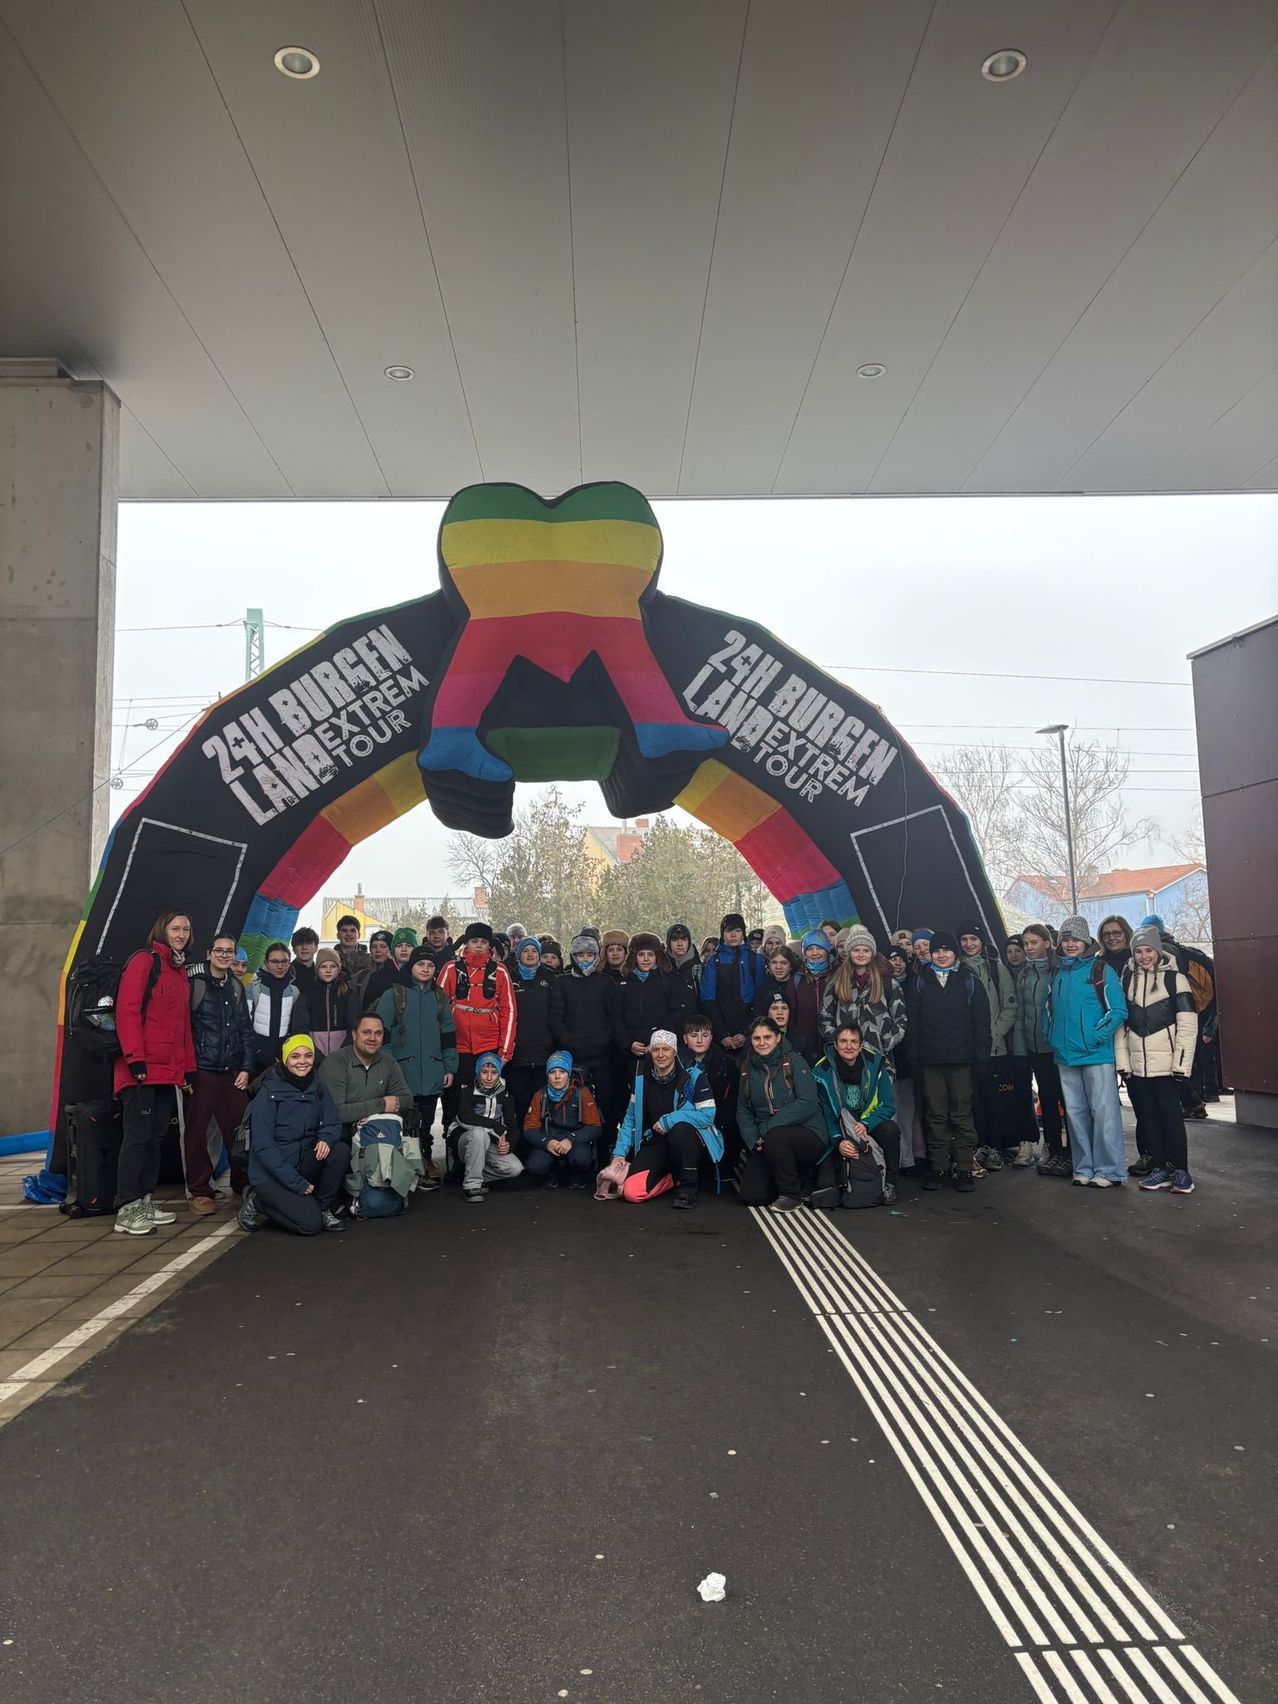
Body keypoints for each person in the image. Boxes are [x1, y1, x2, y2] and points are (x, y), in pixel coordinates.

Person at [111, 911, 195, 1236]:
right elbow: (127, 1010)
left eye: (186, 929)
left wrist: (185, 1069)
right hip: (141, 1071)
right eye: (175, 928)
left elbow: (182, 1025)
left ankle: (144, 1200)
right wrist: (135, 1059)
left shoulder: (179, 970)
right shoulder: (144, 961)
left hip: (166, 1072)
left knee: (156, 1138)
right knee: (137, 1138)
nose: (181, 934)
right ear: (162, 930)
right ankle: (127, 1207)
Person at [904, 931, 991, 1193]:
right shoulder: (920, 982)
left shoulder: (970, 981)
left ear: (955, 953)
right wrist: (914, 1056)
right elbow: (912, 1024)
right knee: (936, 1116)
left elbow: (981, 1025)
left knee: (962, 1115)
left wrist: (981, 1058)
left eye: (947, 950)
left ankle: (964, 1168)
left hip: (962, 1061)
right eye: (937, 951)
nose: (941, 955)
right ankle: (939, 1167)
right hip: (931, 1062)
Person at [1116, 924, 1198, 1194]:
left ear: (1158, 951)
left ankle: (1182, 1171)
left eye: (1148, 950)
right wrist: (1124, 1062)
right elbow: (1121, 1026)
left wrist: (1181, 1064)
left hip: (1167, 1068)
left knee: (1172, 1119)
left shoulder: (1176, 979)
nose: (1144, 956)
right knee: (1149, 1119)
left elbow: (1188, 1024)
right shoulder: (1127, 981)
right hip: (1138, 1068)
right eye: (1138, 951)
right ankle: (1160, 1168)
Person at [238, 1035, 348, 1236]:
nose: (302, 1061)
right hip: (271, 1174)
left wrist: (325, 1137)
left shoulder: (318, 1087)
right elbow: (263, 1146)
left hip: (302, 1165)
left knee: (339, 1150)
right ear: (285, 1059)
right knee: (310, 1225)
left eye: (308, 1055)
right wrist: (296, 1183)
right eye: (295, 1056)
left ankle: (323, 1208)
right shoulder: (267, 1092)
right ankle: (259, 1201)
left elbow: (332, 1121)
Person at [1046, 917, 1127, 1187]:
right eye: (1066, 940)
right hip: (1066, 1055)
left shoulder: (1102, 970)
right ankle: (1083, 1167)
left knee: (1103, 1113)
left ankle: (1109, 1170)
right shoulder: (1057, 973)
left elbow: (1118, 1011)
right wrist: (1051, 1036)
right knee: (1075, 1113)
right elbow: (1048, 1010)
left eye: (1076, 939)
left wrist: (1096, 1037)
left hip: (1096, 1054)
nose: (1071, 944)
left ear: (1086, 942)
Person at [184, 933, 255, 1214]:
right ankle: (200, 1190)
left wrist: (247, 1068)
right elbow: (183, 1030)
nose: (225, 955)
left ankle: (241, 1186)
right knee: (197, 1133)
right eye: (220, 950)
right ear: (209, 953)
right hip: (201, 1071)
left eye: (230, 951)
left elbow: (245, 1031)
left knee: (240, 1132)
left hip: (231, 1071)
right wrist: (186, 1070)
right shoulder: (194, 983)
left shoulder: (236, 987)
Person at [610, 1029, 720, 1208]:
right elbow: (630, 1117)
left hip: (688, 1142)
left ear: (674, 1051)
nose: (661, 1054)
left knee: (680, 1129)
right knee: (631, 1193)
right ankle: (671, 1178)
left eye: (666, 1049)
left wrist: (669, 1120)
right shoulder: (641, 1077)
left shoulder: (694, 1075)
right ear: (650, 1052)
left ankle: (688, 1188)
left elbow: (707, 1115)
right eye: (656, 1049)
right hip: (654, 1141)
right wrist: (619, 1154)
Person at [736, 1017, 827, 1212]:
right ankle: (795, 1177)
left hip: (808, 1132)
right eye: (757, 1038)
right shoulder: (746, 1069)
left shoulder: (794, 1061)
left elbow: (808, 1103)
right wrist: (753, 1139)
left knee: (776, 1136)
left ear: (778, 1038)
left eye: (767, 1037)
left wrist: (766, 1129)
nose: (762, 1042)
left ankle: (791, 1196)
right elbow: (743, 1110)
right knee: (752, 1195)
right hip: (766, 1139)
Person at [812, 1023, 902, 1206]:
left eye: (854, 1042)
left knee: (891, 1130)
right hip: (839, 1130)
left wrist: (867, 1124)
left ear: (861, 1045)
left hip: (867, 1126)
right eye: (843, 1041)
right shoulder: (822, 1071)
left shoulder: (875, 1064)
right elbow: (826, 1114)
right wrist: (839, 1141)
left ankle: (889, 1184)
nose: (849, 1046)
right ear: (835, 1044)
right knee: (825, 1184)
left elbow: (888, 1105)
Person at [376, 946, 457, 1148]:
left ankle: (426, 1157)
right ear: (411, 965)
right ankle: (406, 1162)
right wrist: (389, 1067)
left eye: (430, 965)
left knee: (426, 1125)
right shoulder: (394, 994)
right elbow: (381, 1034)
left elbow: (448, 1035)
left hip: (431, 1072)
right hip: (402, 1072)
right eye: (420, 964)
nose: (425, 969)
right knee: (403, 1124)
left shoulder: (439, 997)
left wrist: (449, 1067)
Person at [956, 918, 1020, 1172]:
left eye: (973, 938)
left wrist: (992, 1035)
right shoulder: (956, 969)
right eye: (964, 939)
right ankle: (978, 1145)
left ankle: (994, 1147)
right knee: (972, 1102)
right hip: (965, 1049)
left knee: (994, 1100)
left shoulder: (997, 969)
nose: (969, 944)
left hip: (994, 1049)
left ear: (982, 941)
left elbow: (1009, 1008)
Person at [437, 922, 517, 1124]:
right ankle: (452, 1135)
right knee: (454, 1097)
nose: (479, 945)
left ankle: (490, 1137)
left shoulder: (500, 971)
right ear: (466, 943)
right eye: (474, 941)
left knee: (487, 1099)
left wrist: (504, 1052)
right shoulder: (450, 968)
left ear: (490, 945)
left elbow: (509, 1011)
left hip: (489, 1046)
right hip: (458, 1045)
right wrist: (440, 1049)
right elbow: (437, 1009)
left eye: (483, 942)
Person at [551, 933, 621, 1142]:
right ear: (573, 956)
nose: (585, 959)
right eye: (580, 955)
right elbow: (556, 1017)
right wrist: (570, 1042)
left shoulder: (606, 982)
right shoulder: (562, 982)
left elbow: (614, 1017)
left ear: (597, 956)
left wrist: (605, 1041)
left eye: (590, 955)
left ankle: (606, 1145)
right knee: (572, 1104)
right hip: (573, 1056)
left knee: (606, 1104)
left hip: (602, 1055)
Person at [1012, 925, 1069, 1176]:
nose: (1029, 948)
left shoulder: (1059, 971)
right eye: (1026, 943)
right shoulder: (1024, 974)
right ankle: (1054, 1148)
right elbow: (1021, 1014)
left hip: (1057, 1047)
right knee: (1047, 1100)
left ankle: (1074, 1151)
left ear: (1047, 943)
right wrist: (1021, 1050)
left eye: (1034, 942)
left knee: (1068, 1101)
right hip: (1035, 1048)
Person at [819, 924, 906, 1064]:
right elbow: (824, 1017)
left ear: (872, 953)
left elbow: (900, 1018)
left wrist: (885, 1042)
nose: (861, 954)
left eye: (866, 950)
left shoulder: (888, 983)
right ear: (849, 952)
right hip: (845, 1058)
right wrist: (838, 1041)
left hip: (879, 1058)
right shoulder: (836, 982)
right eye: (856, 950)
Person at [317, 1012, 412, 1136]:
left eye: (378, 1033)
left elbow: (406, 1099)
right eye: (366, 1032)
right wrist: (381, 1105)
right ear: (354, 1035)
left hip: (378, 1133)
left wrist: (360, 1111)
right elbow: (335, 1112)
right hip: (341, 1136)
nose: (373, 1038)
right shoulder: (335, 1063)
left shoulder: (388, 1062)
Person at [523, 1051, 601, 1189]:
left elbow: (595, 1127)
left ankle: (577, 1174)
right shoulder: (540, 1095)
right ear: (547, 1075)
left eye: (562, 1072)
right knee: (536, 1165)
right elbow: (529, 1128)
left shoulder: (582, 1093)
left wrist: (571, 1139)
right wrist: (546, 1142)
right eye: (552, 1072)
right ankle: (551, 1173)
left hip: (575, 1140)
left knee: (581, 1158)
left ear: (569, 1074)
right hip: (550, 1139)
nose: (557, 1077)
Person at [451, 1052, 523, 1202]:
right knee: (479, 1133)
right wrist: (495, 1127)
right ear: (478, 1072)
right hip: (466, 1141)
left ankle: (473, 1173)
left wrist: (508, 1144)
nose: (489, 1078)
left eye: (494, 1073)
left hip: (490, 1143)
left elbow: (513, 1127)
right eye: (484, 1072)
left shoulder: (505, 1095)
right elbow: (465, 1117)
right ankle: (471, 1186)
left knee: (515, 1168)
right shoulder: (467, 1089)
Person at [506, 935, 558, 1127]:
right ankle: (521, 1142)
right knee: (520, 1103)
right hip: (518, 1055)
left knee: (543, 1104)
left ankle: (541, 1142)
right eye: (525, 951)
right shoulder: (509, 978)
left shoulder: (550, 978)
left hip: (544, 1053)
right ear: (518, 954)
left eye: (534, 951)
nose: (530, 954)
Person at [610, 933, 682, 1069]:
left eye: (650, 954)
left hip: (660, 1051)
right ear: (634, 957)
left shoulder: (666, 982)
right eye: (641, 954)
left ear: (657, 957)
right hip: (629, 1053)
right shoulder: (623, 984)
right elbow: (616, 1018)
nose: (646, 959)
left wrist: (658, 1041)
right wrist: (628, 1044)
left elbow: (674, 1015)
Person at [701, 913, 766, 1058]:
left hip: (750, 1032)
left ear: (743, 933)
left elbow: (760, 998)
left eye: (737, 930)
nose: (733, 935)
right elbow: (708, 999)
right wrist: (722, 1034)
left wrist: (746, 1032)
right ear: (722, 934)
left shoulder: (755, 960)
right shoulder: (714, 961)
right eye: (729, 931)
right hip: (721, 1030)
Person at [244, 941, 309, 1074]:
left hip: (284, 1058)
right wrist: (257, 1051)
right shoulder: (252, 989)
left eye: (284, 961)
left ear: (289, 963)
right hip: (255, 1059)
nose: (280, 966)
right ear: (266, 963)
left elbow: (295, 1027)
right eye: (274, 962)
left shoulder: (294, 991)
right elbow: (245, 1025)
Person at [783, 929, 832, 1065]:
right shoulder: (797, 979)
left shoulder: (837, 976)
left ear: (827, 950)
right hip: (805, 1047)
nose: (815, 953)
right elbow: (790, 1014)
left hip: (832, 1044)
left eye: (819, 948)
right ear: (804, 953)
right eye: (810, 949)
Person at [308, 947, 354, 1057]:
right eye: (323, 966)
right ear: (317, 969)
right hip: (314, 1056)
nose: (328, 970)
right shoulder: (307, 995)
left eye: (333, 966)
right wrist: (316, 1056)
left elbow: (355, 1027)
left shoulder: (348, 994)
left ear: (339, 969)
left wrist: (342, 1054)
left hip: (343, 1056)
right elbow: (300, 1028)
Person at [358, 929, 401, 1014]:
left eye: (383, 946)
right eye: (374, 946)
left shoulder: (400, 973)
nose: (378, 950)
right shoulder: (359, 976)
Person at [754, 945, 798, 1019]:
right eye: (774, 962)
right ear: (769, 965)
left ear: (791, 966)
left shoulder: (799, 985)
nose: (778, 967)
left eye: (783, 963)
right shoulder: (763, 989)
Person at [665, 922, 702, 1009]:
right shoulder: (661, 968)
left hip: (693, 1016)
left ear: (689, 942)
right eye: (675, 939)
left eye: (684, 939)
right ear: (668, 942)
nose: (680, 943)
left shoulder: (698, 969)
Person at [335, 915, 371, 984]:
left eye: (353, 931)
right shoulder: (330, 959)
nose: (348, 934)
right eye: (344, 931)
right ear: (338, 935)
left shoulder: (369, 960)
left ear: (359, 935)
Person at [289, 926, 320, 1000]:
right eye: (300, 944)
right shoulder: (286, 973)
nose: (304, 947)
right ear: (293, 949)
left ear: (316, 948)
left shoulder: (321, 973)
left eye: (308, 943)